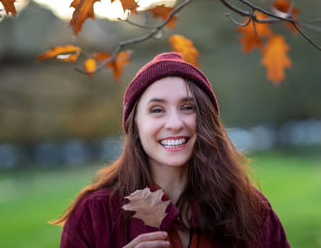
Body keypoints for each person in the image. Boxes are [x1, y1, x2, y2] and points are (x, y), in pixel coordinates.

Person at [53, 52, 291, 248]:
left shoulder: (251, 209)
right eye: (157, 110)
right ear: (135, 125)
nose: (175, 123)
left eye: (188, 107)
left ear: (206, 119)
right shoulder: (95, 214)